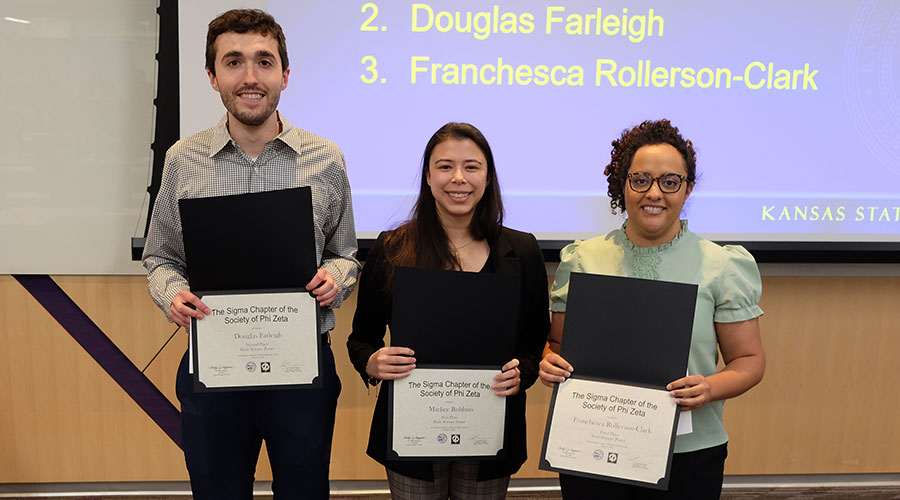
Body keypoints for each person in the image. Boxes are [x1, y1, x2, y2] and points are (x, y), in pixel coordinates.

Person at [141, 9, 359, 499]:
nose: (250, 77)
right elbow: (160, 259)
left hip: (302, 370)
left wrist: (335, 278)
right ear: (213, 76)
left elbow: (345, 253)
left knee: (303, 491)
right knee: (218, 490)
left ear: (284, 73)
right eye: (233, 62)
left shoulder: (326, 159)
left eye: (264, 62)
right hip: (213, 366)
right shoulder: (182, 159)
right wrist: (173, 295)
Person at [539, 119, 765, 500]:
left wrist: (709, 388)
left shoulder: (721, 265)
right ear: (622, 185)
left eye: (670, 181)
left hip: (688, 455)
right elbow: (557, 345)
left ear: (688, 188)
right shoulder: (582, 259)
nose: (654, 193)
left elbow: (749, 361)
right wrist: (548, 360)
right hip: (592, 445)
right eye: (640, 179)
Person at [347, 122, 549, 499]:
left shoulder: (522, 252)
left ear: (488, 178)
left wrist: (523, 372)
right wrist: (373, 362)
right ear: (427, 176)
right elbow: (362, 338)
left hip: (491, 427)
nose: (458, 178)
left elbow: (535, 344)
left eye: (472, 167)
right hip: (413, 430)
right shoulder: (393, 248)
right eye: (445, 166)